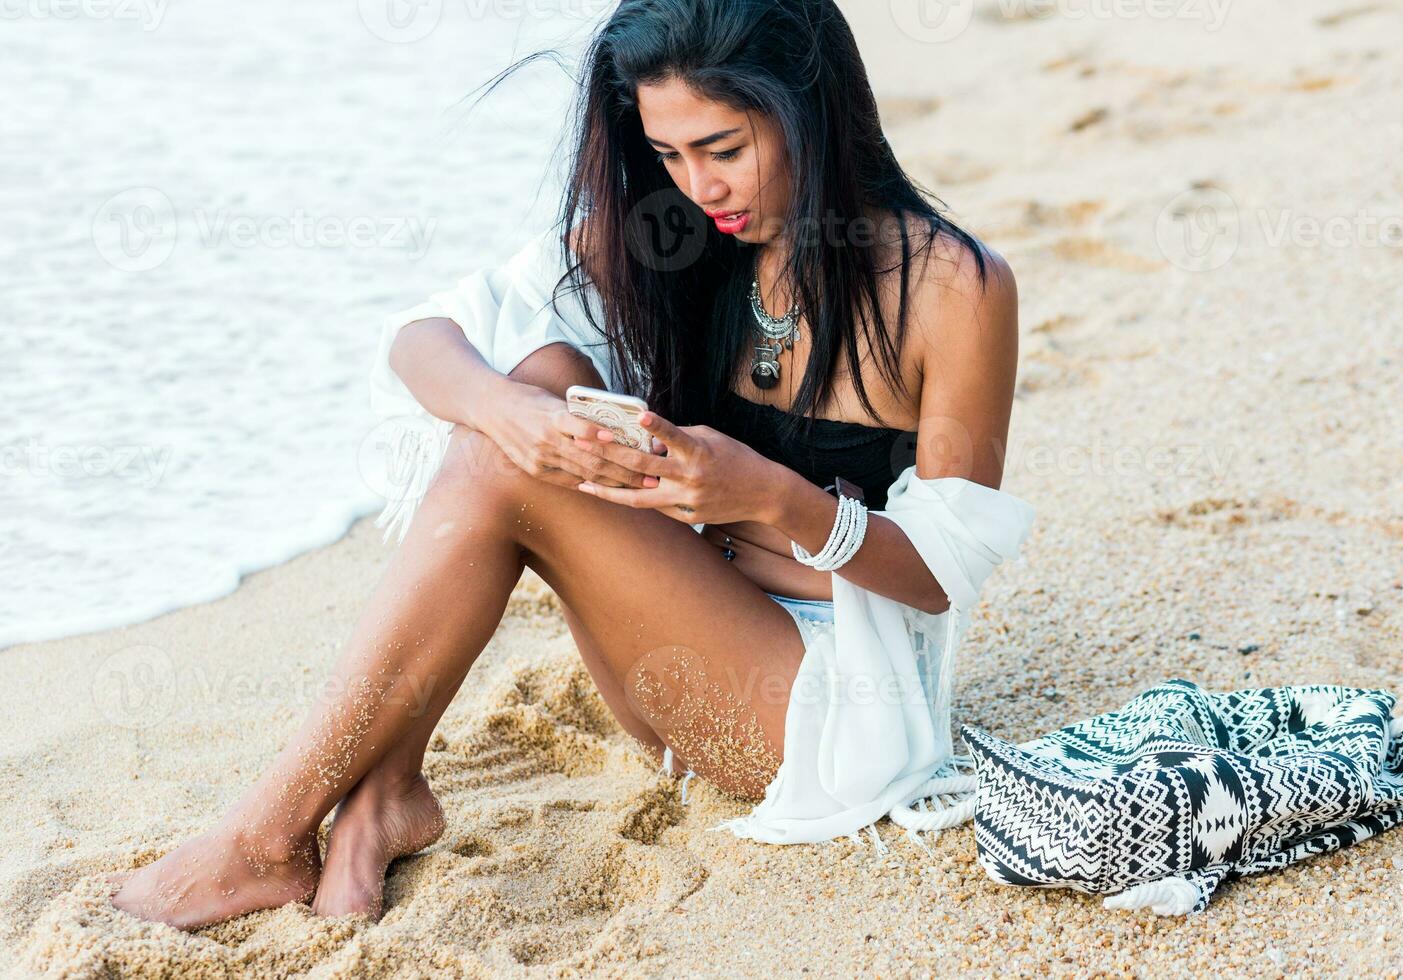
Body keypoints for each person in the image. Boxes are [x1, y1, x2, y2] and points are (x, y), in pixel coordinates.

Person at [109, 0, 1031, 930]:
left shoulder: (954, 287)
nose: (700, 186)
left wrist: (768, 498)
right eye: (669, 154)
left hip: (829, 721)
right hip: (679, 651)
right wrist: (509, 408)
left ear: (812, 107)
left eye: (723, 147)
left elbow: (938, 575)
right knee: (534, 383)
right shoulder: (673, 233)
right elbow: (424, 340)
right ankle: (380, 788)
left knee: (502, 456)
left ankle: (272, 837)